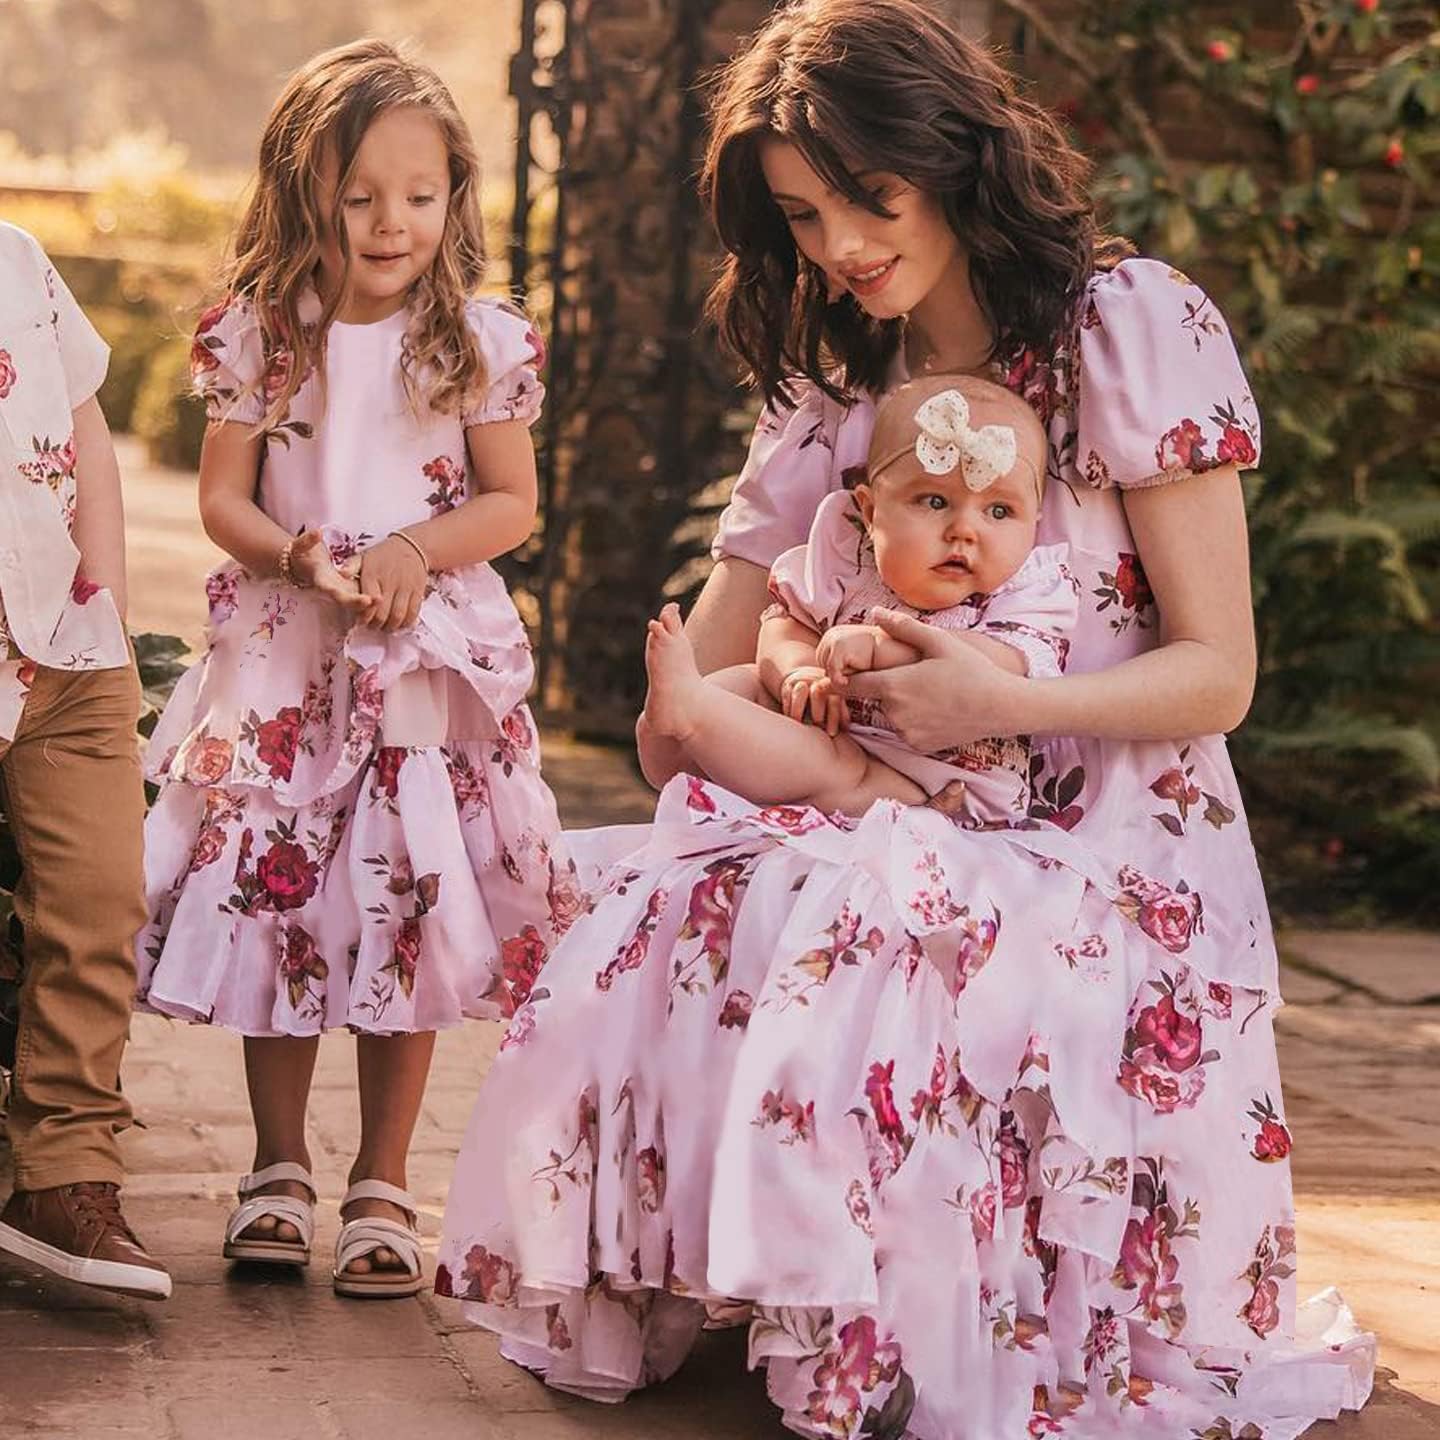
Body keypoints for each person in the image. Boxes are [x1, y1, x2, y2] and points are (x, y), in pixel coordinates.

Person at [438, 1, 1374, 1434]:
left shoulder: (1125, 330)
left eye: (869, 198)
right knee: (666, 887)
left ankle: (889, 1327)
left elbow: (1219, 673)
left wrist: (1004, 700)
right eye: (802, 217)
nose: (838, 247)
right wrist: (729, 697)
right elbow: (689, 705)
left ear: (954, 159)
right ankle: (760, 1287)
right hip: (874, 803)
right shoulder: (829, 401)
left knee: (869, 918)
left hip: (1108, 846)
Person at [135, 39, 579, 1299]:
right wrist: (303, 556)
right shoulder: (262, 336)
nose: (393, 223)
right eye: (360, 195)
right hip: (286, 660)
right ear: (303, 192)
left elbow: (509, 505)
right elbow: (225, 498)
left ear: (456, 197)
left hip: (421, 665)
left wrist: (409, 552)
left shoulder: (477, 340)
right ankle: (277, 1170)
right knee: (278, 896)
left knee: (407, 898)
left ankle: (384, 1180)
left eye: (420, 195)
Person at [642, 373, 1077, 820]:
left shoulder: (1027, 589)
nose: (964, 530)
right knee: (749, 682)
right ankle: (677, 741)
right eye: (933, 502)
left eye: (999, 511)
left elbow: (1002, 662)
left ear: (1034, 525)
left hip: (933, 785)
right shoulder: (849, 557)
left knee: (842, 768)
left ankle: (693, 716)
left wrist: (881, 648)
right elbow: (784, 622)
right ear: (870, 512)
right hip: (834, 733)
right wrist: (798, 671)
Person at [0, 222, 170, 1299]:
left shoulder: (15, 258)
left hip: (61, 647)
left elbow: (82, 423)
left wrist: (101, 595)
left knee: (100, 900)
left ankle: (62, 1179)